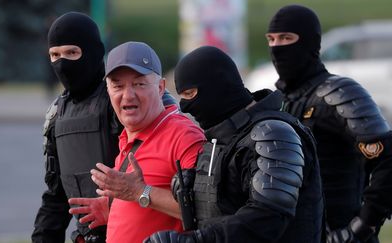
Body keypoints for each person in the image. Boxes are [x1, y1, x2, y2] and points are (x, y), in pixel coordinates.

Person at [144, 46, 324, 243]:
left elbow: (267, 218)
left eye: (191, 93)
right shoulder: (222, 138)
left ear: (217, 86)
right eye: (182, 96)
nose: (185, 106)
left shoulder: (273, 136)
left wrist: (193, 241)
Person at [32, 13, 176, 243]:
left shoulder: (122, 100)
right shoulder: (57, 112)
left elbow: (169, 148)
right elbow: (57, 195)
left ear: (92, 52)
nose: (62, 63)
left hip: (142, 231)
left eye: (72, 53)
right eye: (55, 55)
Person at [264, 5, 392, 243]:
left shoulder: (340, 93)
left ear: (310, 42)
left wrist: (363, 226)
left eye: (286, 38)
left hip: (340, 232)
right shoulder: (278, 100)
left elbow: (388, 159)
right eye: (271, 39)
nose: (276, 47)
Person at [68, 41, 206, 243]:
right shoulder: (129, 134)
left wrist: (139, 192)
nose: (128, 95)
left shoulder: (184, 135)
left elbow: (206, 211)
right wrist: (113, 208)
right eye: (117, 86)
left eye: (139, 84)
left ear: (160, 88)